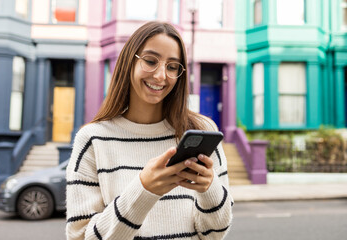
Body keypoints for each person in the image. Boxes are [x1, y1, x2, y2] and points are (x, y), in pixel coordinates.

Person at [66, 21, 233, 240]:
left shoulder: (202, 130)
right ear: (129, 62)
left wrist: (210, 189)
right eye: (150, 61)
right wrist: (144, 190)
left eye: (172, 66)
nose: (161, 75)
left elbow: (215, 235)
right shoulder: (92, 140)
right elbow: (80, 237)